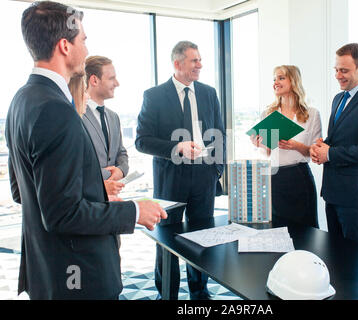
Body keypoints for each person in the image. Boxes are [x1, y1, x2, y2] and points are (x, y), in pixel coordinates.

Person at [5, 1, 167, 300]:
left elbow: (25, 191)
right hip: (77, 277)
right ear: (65, 45)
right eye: (84, 40)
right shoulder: (56, 109)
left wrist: (95, 189)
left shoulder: (21, 101)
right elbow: (63, 215)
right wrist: (134, 211)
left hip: (49, 274)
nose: (86, 47)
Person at [135, 40, 226, 300]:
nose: (200, 64)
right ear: (178, 64)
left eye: (200, 59)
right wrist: (178, 147)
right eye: (194, 60)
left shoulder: (209, 93)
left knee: (202, 239)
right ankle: (168, 294)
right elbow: (142, 141)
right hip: (170, 179)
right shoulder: (154, 96)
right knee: (167, 240)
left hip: (204, 176)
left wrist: (217, 169)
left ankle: (200, 292)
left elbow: (219, 133)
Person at [310, 43, 358, 245]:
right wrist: (320, 148)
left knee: (356, 262)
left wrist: (330, 154)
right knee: (336, 257)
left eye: (344, 70)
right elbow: (336, 140)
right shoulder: (338, 99)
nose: (338, 75)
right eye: (336, 70)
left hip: (355, 197)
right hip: (332, 192)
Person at [250, 65, 321, 228]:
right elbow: (267, 153)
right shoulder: (268, 114)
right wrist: (259, 143)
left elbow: (315, 153)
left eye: (281, 78)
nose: (276, 82)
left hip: (299, 177)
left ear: (294, 81)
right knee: (277, 229)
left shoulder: (311, 114)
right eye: (274, 79)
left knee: (306, 231)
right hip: (275, 178)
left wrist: (295, 146)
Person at [83, 56, 127, 197]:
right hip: (88, 198)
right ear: (94, 80)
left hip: (112, 199)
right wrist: (108, 175)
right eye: (111, 78)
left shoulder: (113, 117)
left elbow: (121, 153)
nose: (117, 83)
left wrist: (121, 171)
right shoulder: (77, 116)